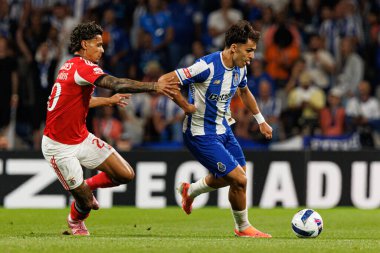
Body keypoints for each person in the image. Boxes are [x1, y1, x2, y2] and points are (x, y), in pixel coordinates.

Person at [41, 22, 180, 236]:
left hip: (81, 137)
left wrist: (108, 102)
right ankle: (75, 220)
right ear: (84, 44)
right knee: (87, 203)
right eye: (98, 44)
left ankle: (84, 186)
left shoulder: (69, 65)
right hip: (58, 146)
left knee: (126, 174)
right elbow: (116, 83)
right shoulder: (84, 67)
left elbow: (74, 103)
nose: (102, 49)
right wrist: (154, 86)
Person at [158, 20, 273, 238]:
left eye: (254, 51)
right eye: (249, 51)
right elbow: (164, 80)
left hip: (223, 129)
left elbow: (245, 92)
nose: (252, 56)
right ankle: (243, 228)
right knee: (239, 179)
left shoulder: (240, 68)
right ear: (233, 48)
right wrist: (185, 106)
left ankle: (189, 190)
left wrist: (261, 120)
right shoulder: (206, 67)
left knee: (238, 176)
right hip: (200, 134)